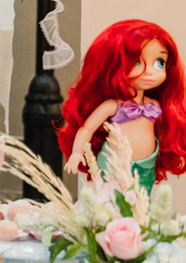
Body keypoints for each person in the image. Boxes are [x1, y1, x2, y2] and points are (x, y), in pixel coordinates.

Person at [59, 19, 186, 191]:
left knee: (142, 203)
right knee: (111, 201)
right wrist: (76, 153)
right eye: (137, 62)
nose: (150, 72)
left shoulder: (155, 105)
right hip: (114, 162)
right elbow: (87, 129)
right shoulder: (113, 105)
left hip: (146, 164)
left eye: (159, 63)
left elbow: (168, 131)